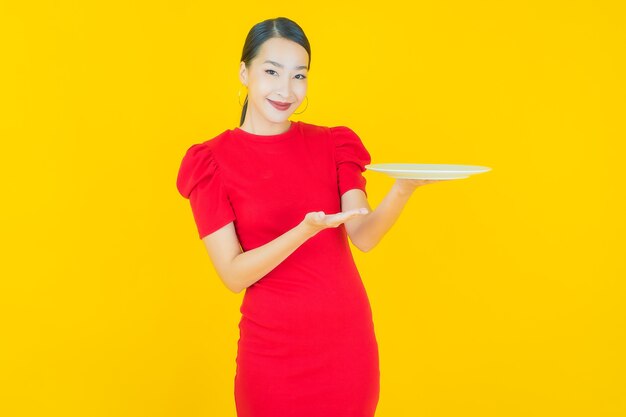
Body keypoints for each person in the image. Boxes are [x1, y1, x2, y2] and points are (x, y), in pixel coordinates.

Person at [176, 16, 442, 417]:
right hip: (271, 354)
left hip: (346, 348)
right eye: (271, 72)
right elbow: (233, 274)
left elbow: (364, 235)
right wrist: (303, 231)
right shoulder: (211, 161)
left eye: (299, 75)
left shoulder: (333, 144)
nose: (286, 90)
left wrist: (402, 189)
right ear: (244, 72)